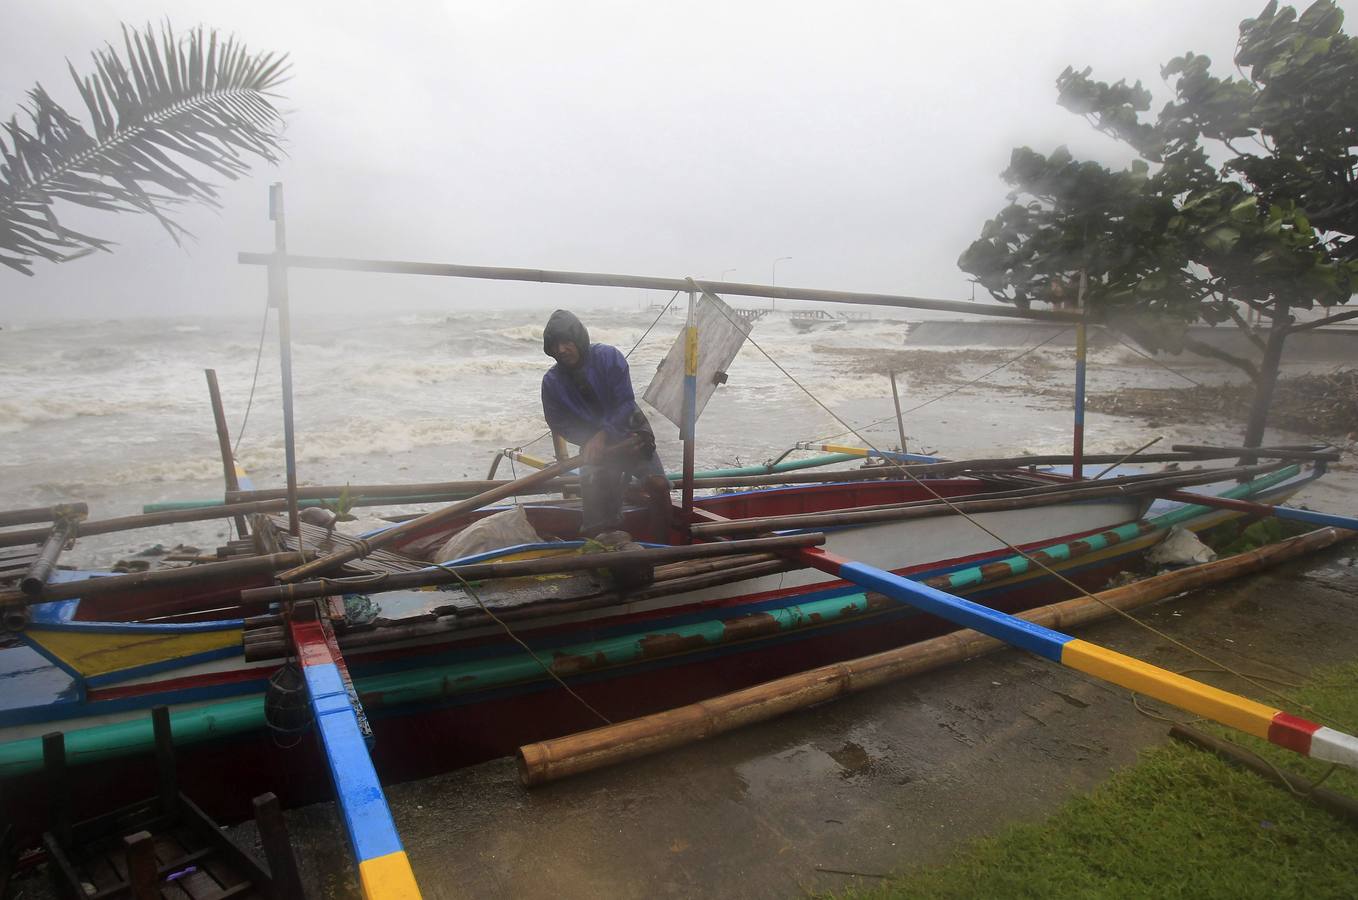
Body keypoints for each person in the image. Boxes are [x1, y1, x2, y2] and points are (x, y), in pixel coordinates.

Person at [541, 309, 670, 538]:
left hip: (632, 436)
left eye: (567, 342)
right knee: (596, 514)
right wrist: (589, 440)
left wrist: (603, 434)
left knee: (659, 486)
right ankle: (602, 542)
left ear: (579, 338)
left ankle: (662, 545)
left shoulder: (609, 357)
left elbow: (625, 403)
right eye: (555, 345)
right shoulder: (551, 382)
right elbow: (559, 422)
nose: (561, 350)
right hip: (596, 449)